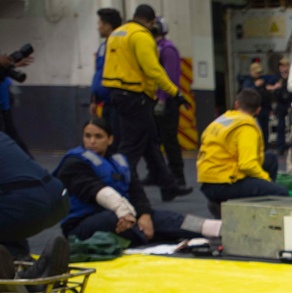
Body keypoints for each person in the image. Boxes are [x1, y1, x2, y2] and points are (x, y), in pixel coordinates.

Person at [55, 117, 220, 245]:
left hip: (125, 217)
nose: (91, 141)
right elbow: (96, 191)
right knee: (112, 219)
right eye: (88, 136)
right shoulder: (73, 163)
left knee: (166, 218)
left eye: (98, 136)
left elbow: (136, 191)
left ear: (110, 139)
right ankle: (149, 233)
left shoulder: (119, 161)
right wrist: (125, 214)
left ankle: (219, 229)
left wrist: (145, 215)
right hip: (83, 224)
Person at [101, 4, 191, 202]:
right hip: (134, 96)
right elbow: (153, 70)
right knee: (130, 148)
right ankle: (116, 189)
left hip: (117, 94)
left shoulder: (118, 33)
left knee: (150, 142)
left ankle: (168, 186)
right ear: (150, 22)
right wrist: (175, 92)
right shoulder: (141, 35)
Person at [197, 89, 292, 206]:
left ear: (236, 104)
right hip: (224, 183)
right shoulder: (246, 128)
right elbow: (247, 165)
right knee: (280, 192)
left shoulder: (224, 119)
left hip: (208, 179)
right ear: (258, 110)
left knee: (270, 159)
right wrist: (266, 179)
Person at [0, 132, 67, 259]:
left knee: (12, 206)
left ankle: (14, 262)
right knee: (10, 212)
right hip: (57, 196)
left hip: (28, 204)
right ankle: (25, 264)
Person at [146, 16, 185, 189]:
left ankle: (178, 176)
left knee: (169, 140)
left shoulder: (167, 49)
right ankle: (157, 174)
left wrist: (162, 99)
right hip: (153, 100)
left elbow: (170, 78)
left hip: (167, 102)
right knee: (153, 140)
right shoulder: (153, 48)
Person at [90, 7, 122, 153]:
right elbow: (98, 73)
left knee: (116, 142)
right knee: (106, 141)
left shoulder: (121, 45)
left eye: (100, 23)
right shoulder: (103, 47)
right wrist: (94, 100)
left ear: (108, 25)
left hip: (117, 103)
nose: (98, 27)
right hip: (106, 104)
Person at [240, 62, 274, 146]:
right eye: (256, 73)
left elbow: (266, 95)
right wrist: (255, 85)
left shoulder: (263, 81)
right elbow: (247, 94)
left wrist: (270, 109)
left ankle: (265, 147)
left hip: (264, 109)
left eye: (259, 72)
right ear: (251, 72)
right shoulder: (248, 82)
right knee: (257, 130)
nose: (258, 74)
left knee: (265, 132)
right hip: (254, 111)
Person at [270, 57, 292, 153]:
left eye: (284, 66)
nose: (282, 68)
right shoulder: (276, 77)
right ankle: (280, 147)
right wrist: (274, 87)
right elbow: (268, 87)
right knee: (281, 126)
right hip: (280, 103)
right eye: (281, 66)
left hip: (290, 103)